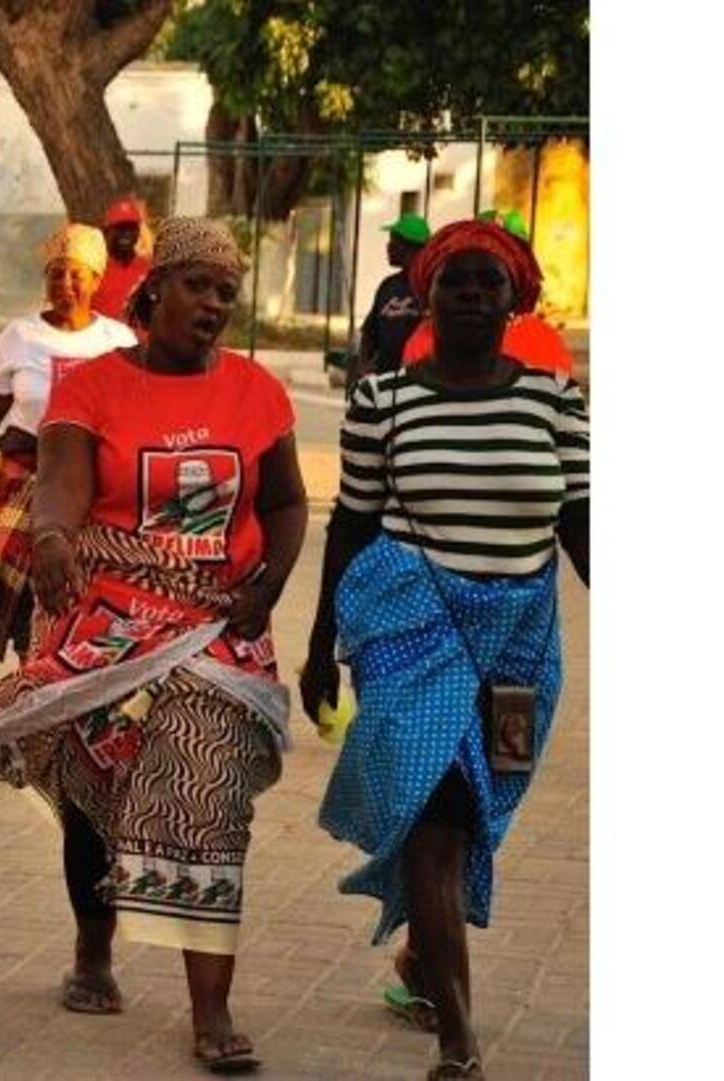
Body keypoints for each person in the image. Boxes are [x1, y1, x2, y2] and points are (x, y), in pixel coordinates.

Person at [0, 217, 308, 1075]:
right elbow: (59, 483)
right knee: (94, 786)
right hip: (105, 620)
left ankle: (211, 1008)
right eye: (198, 287)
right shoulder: (92, 385)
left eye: (226, 294)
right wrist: (51, 537)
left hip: (217, 624)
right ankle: (94, 947)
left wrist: (269, 585)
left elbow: (284, 505)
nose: (213, 305)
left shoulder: (256, 391)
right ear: (154, 289)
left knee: (210, 793)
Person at [301, 220, 589, 1081]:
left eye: (487, 283)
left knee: (470, 820)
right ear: (423, 297)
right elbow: (351, 520)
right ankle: (459, 1043)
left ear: (514, 300)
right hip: (407, 621)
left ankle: (424, 961)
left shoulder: (554, 400)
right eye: (454, 282)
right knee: (434, 813)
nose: (470, 295)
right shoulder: (382, 400)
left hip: (517, 641)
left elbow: (581, 519)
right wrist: (321, 643)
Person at [0, 223, 138, 659]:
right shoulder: (19, 336)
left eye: (77, 274)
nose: (66, 284)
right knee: (25, 580)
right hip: (25, 475)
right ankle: (29, 664)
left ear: (96, 279)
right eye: (56, 274)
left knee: (89, 580)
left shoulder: (118, 341)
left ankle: (77, 665)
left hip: (96, 482)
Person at [398, 213, 574, 378]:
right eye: (453, 281)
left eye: (490, 281)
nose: (471, 292)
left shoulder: (544, 342)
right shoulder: (420, 342)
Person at [350, 213, 431, 385]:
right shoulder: (388, 285)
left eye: (393, 241)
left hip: (420, 383)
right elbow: (369, 333)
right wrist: (363, 367)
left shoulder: (433, 287)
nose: (388, 247)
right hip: (385, 383)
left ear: (409, 247)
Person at [92, 197, 151, 321]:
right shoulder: (92, 269)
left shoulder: (151, 270)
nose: (127, 233)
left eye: (131, 227)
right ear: (106, 231)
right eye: (120, 227)